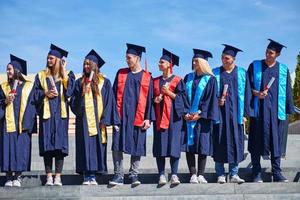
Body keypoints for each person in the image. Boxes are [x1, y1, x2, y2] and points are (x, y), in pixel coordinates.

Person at [246, 39, 294, 183]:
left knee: (276, 143)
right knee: (255, 142)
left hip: (275, 114)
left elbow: (287, 91)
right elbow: (247, 87)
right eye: (267, 51)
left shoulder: (283, 70)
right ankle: (256, 173)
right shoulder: (254, 66)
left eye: (271, 52)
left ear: (277, 54)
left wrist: (288, 109)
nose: (267, 54)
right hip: (258, 112)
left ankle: (277, 172)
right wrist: (256, 93)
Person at [70, 49, 120, 185]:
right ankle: (87, 175)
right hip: (84, 122)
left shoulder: (105, 82)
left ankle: (94, 175)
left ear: (95, 66)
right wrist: (83, 93)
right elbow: (73, 103)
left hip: (99, 122)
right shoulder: (79, 82)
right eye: (84, 64)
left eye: (88, 64)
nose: (86, 66)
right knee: (85, 146)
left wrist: (105, 119)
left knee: (97, 146)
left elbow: (110, 102)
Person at [109, 43, 155, 187]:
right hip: (121, 117)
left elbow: (150, 100)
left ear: (137, 58)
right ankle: (118, 175)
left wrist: (148, 118)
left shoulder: (147, 77)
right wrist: (113, 118)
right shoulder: (121, 73)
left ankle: (134, 175)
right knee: (117, 145)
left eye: (129, 57)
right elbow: (112, 95)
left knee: (137, 145)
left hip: (138, 117)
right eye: (126, 57)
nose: (126, 60)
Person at [34, 44, 75, 186]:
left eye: (51, 58)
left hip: (61, 116)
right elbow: (34, 95)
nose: (48, 60)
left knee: (59, 147)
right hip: (47, 116)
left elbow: (70, 92)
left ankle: (58, 177)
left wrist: (63, 72)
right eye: (47, 58)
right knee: (47, 148)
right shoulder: (40, 75)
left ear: (58, 60)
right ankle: (48, 177)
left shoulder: (68, 74)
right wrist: (45, 93)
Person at [212, 45, 250, 184]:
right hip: (220, 115)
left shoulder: (242, 73)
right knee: (219, 142)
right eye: (222, 57)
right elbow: (210, 94)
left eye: (226, 58)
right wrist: (217, 101)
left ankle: (234, 174)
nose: (223, 60)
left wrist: (245, 113)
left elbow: (247, 95)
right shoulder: (215, 73)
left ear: (233, 59)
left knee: (236, 143)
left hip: (236, 115)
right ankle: (220, 174)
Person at [181, 49, 219, 184]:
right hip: (188, 118)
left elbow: (211, 100)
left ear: (203, 63)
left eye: (196, 60)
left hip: (203, 119)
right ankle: (192, 174)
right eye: (193, 60)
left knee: (203, 144)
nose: (194, 62)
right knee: (189, 146)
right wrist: (185, 112)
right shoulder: (187, 78)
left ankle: (201, 174)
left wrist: (200, 114)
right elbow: (182, 97)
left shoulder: (211, 80)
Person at [153, 49, 188, 185]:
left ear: (169, 64)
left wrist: (169, 93)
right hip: (159, 118)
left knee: (174, 146)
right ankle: (161, 174)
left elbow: (183, 100)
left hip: (174, 119)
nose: (159, 64)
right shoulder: (155, 81)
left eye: (162, 62)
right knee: (160, 147)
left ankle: (174, 174)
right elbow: (150, 100)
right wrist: (155, 99)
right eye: (159, 62)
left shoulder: (178, 80)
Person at [0, 55, 36, 187]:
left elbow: (33, 104)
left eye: (9, 69)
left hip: (23, 123)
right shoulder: (3, 87)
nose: (7, 72)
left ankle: (18, 176)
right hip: (7, 125)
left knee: (21, 150)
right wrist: (5, 101)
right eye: (6, 69)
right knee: (8, 149)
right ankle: (9, 177)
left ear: (17, 70)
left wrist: (28, 122)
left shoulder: (29, 86)